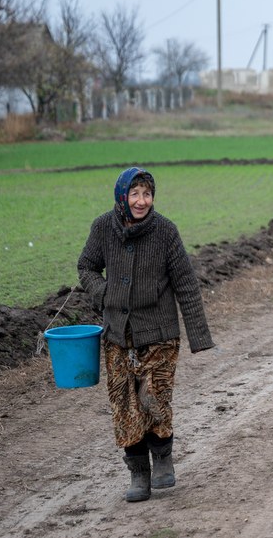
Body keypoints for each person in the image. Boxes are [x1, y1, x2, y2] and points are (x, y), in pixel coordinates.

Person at [77, 167, 214, 503]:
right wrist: (104, 292)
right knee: (125, 406)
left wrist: (199, 336)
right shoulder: (102, 228)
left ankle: (163, 457)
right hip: (117, 337)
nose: (141, 201)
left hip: (159, 335)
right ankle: (139, 473)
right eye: (135, 194)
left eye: (147, 194)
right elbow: (86, 266)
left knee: (154, 398)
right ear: (122, 195)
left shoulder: (165, 231)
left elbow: (185, 283)